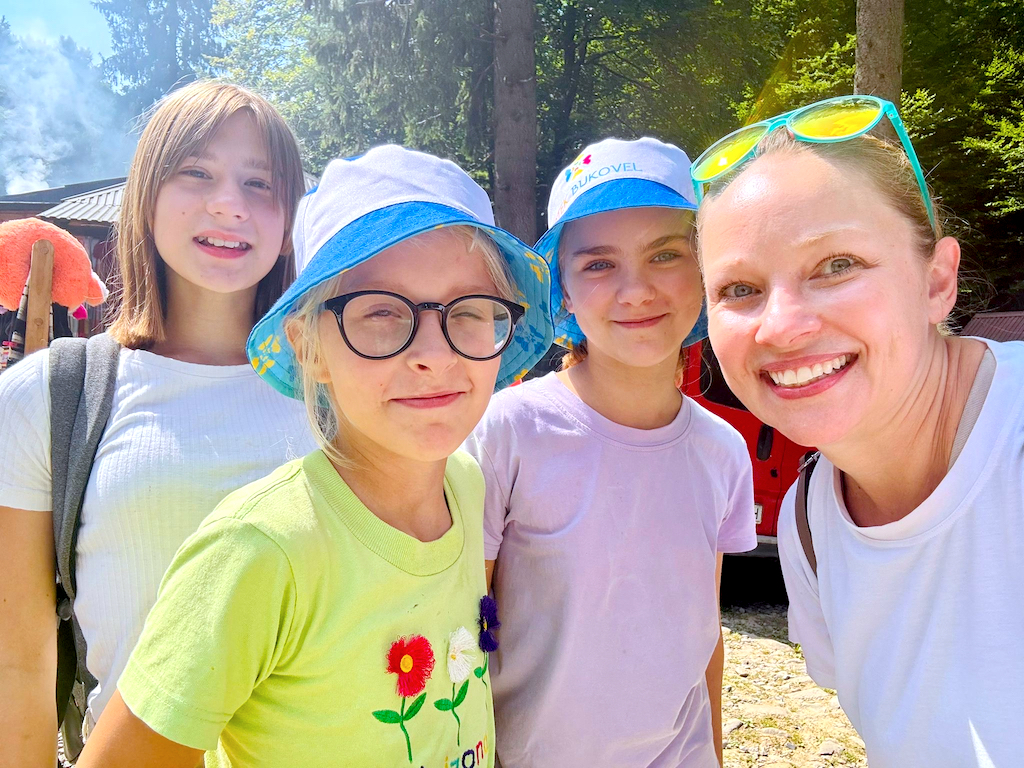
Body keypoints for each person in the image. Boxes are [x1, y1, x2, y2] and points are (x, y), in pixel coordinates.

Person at [76, 145, 554, 768]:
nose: (434, 354)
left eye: (467, 312)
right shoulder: (260, 550)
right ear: (309, 349)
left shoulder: (465, 485)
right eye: (381, 313)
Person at [694, 94, 1024, 768]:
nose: (781, 326)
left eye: (837, 265)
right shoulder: (810, 522)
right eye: (739, 289)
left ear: (937, 281)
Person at [0, 80, 315, 766]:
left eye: (260, 183)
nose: (229, 203)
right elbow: (18, 663)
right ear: (144, 197)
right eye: (196, 172)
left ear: (291, 218)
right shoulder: (46, 397)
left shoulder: (341, 393)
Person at [465, 137, 756, 767]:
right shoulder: (508, 432)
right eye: (598, 264)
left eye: (667, 255)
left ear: (706, 271)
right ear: (561, 291)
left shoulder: (723, 451)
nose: (637, 290)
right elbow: (467, 630)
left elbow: (702, 633)